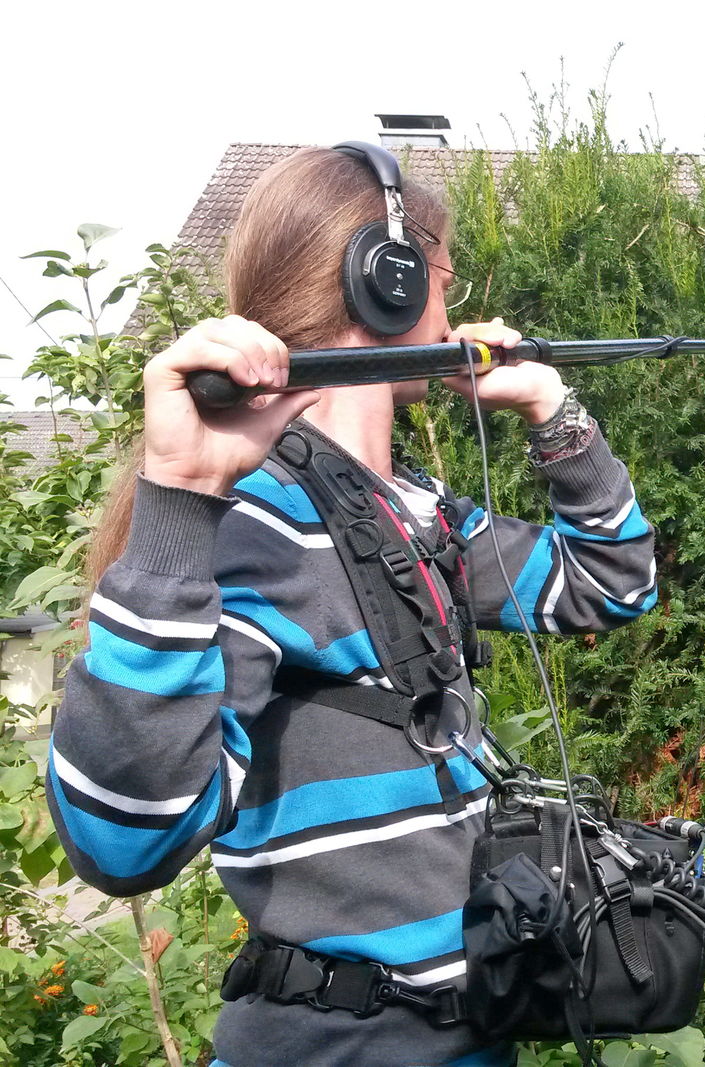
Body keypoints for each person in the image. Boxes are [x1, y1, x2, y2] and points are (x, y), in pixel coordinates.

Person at [46, 145, 657, 1067]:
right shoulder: (257, 517)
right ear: (391, 282)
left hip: (466, 1037)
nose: (451, 308)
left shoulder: (414, 513)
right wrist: (176, 500)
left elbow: (614, 581)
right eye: (443, 277)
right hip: (343, 1045)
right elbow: (123, 842)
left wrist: (550, 404)